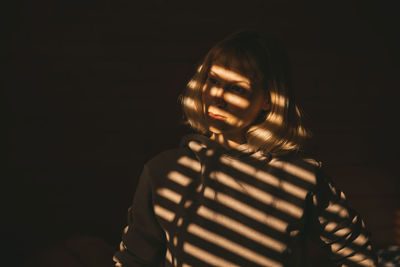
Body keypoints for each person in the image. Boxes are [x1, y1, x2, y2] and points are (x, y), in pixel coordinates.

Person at [113, 30, 378, 266]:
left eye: (236, 89)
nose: (217, 97)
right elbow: (134, 260)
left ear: (268, 100)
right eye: (213, 81)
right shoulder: (164, 171)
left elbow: (358, 257)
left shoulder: (302, 179)